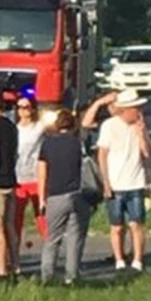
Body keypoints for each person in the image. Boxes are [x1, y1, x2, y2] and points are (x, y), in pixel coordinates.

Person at [95, 89, 151, 273]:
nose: (139, 112)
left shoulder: (140, 126)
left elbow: (147, 154)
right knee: (117, 226)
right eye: (136, 108)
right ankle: (119, 260)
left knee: (137, 224)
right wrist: (106, 182)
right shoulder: (109, 126)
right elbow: (102, 154)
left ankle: (137, 260)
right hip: (115, 183)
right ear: (126, 109)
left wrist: (141, 133)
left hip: (135, 182)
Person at [37, 108, 90, 286]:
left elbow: (42, 173)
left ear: (57, 125)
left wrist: (41, 199)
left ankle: (47, 276)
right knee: (75, 237)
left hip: (55, 195)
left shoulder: (48, 144)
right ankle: (72, 276)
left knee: (53, 238)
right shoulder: (78, 142)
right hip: (77, 193)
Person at [14, 96, 49, 250]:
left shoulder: (39, 127)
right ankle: (13, 255)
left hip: (37, 177)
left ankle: (51, 249)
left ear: (33, 109)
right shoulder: (14, 129)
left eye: (27, 106)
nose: (23, 110)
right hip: (18, 178)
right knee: (16, 218)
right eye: (20, 107)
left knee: (41, 215)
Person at [0, 92, 19, 281]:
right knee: (10, 225)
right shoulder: (11, 127)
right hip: (11, 180)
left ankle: (1, 270)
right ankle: (16, 266)